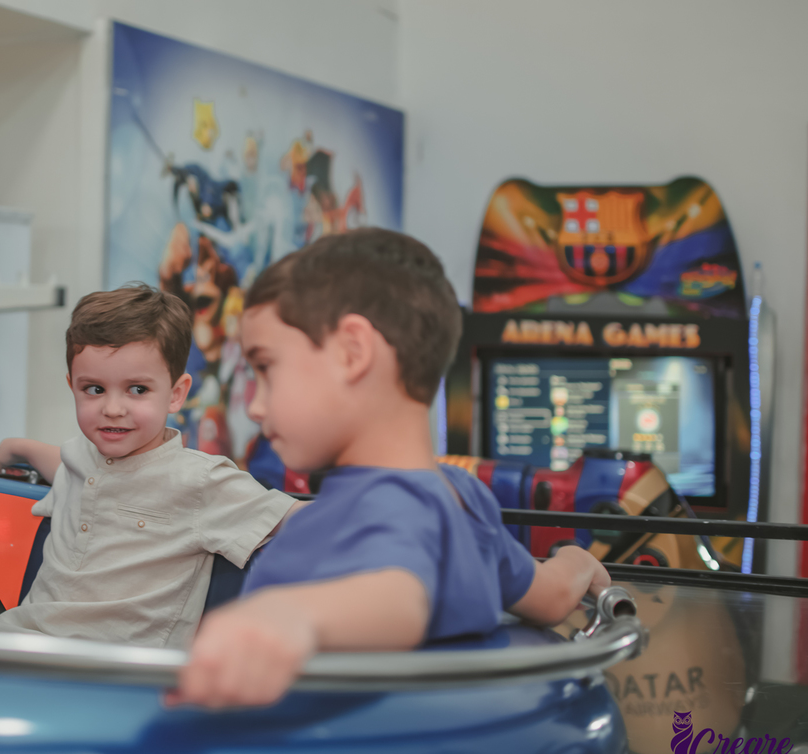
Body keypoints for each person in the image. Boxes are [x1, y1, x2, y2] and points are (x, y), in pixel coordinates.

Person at [170, 229, 611, 708]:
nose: (254, 406)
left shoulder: (382, 506)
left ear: (352, 353)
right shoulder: (462, 497)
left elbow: (399, 600)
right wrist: (578, 561)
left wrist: (289, 615)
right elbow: (548, 596)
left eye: (266, 367)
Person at [0, 283, 303, 648]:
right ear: (72, 386)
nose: (113, 408)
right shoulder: (81, 456)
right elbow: (63, 462)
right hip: (20, 642)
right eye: (94, 389)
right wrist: (16, 448)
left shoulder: (200, 481)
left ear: (176, 394)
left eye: (137, 390)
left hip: (117, 672)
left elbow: (292, 515)